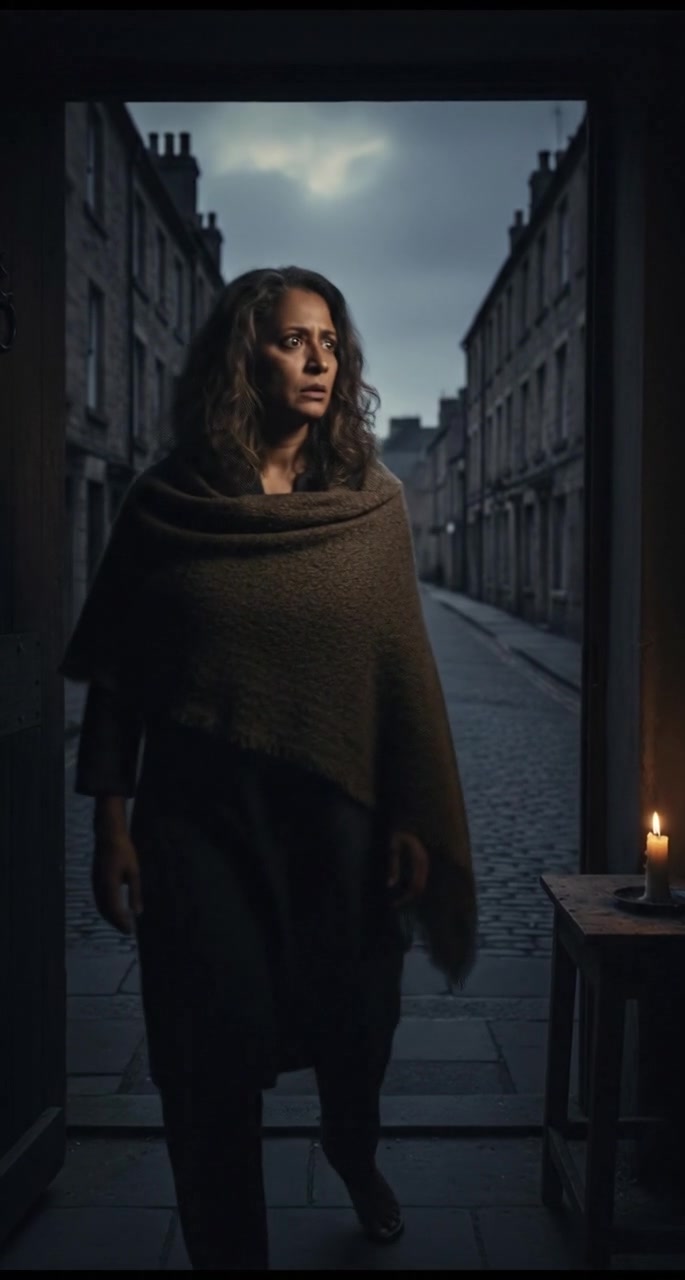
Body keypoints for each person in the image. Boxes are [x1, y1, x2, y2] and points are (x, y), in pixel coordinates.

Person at [60, 265, 477, 1270]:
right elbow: (121, 671)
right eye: (295, 339)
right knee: (209, 1059)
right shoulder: (169, 500)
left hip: (344, 824)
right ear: (243, 356)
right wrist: (110, 820)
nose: (320, 359)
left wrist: (413, 815)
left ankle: (351, 1147)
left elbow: (397, 672)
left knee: (358, 1027)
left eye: (330, 341)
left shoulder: (370, 503)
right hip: (200, 823)